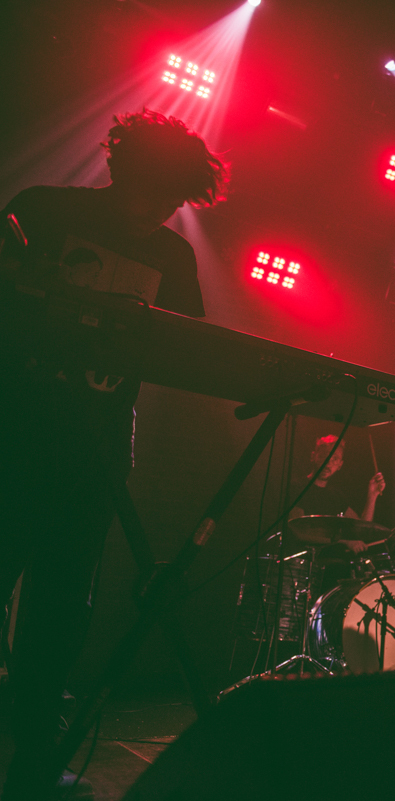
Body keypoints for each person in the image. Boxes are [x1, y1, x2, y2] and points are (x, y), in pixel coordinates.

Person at [0, 109, 227, 799]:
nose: (157, 210)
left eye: (172, 199)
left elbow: (185, 350)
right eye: (150, 191)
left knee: (61, 612)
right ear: (117, 168)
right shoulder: (43, 212)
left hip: (94, 458)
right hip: (14, 435)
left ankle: (36, 763)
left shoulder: (173, 258)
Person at [288, 434, 387, 558]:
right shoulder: (297, 487)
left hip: (331, 564)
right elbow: (298, 530)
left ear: (340, 465)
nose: (328, 463)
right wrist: (344, 541)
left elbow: (361, 530)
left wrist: (372, 496)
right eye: (324, 456)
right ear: (313, 456)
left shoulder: (336, 495)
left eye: (335, 459)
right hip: (303, 562)